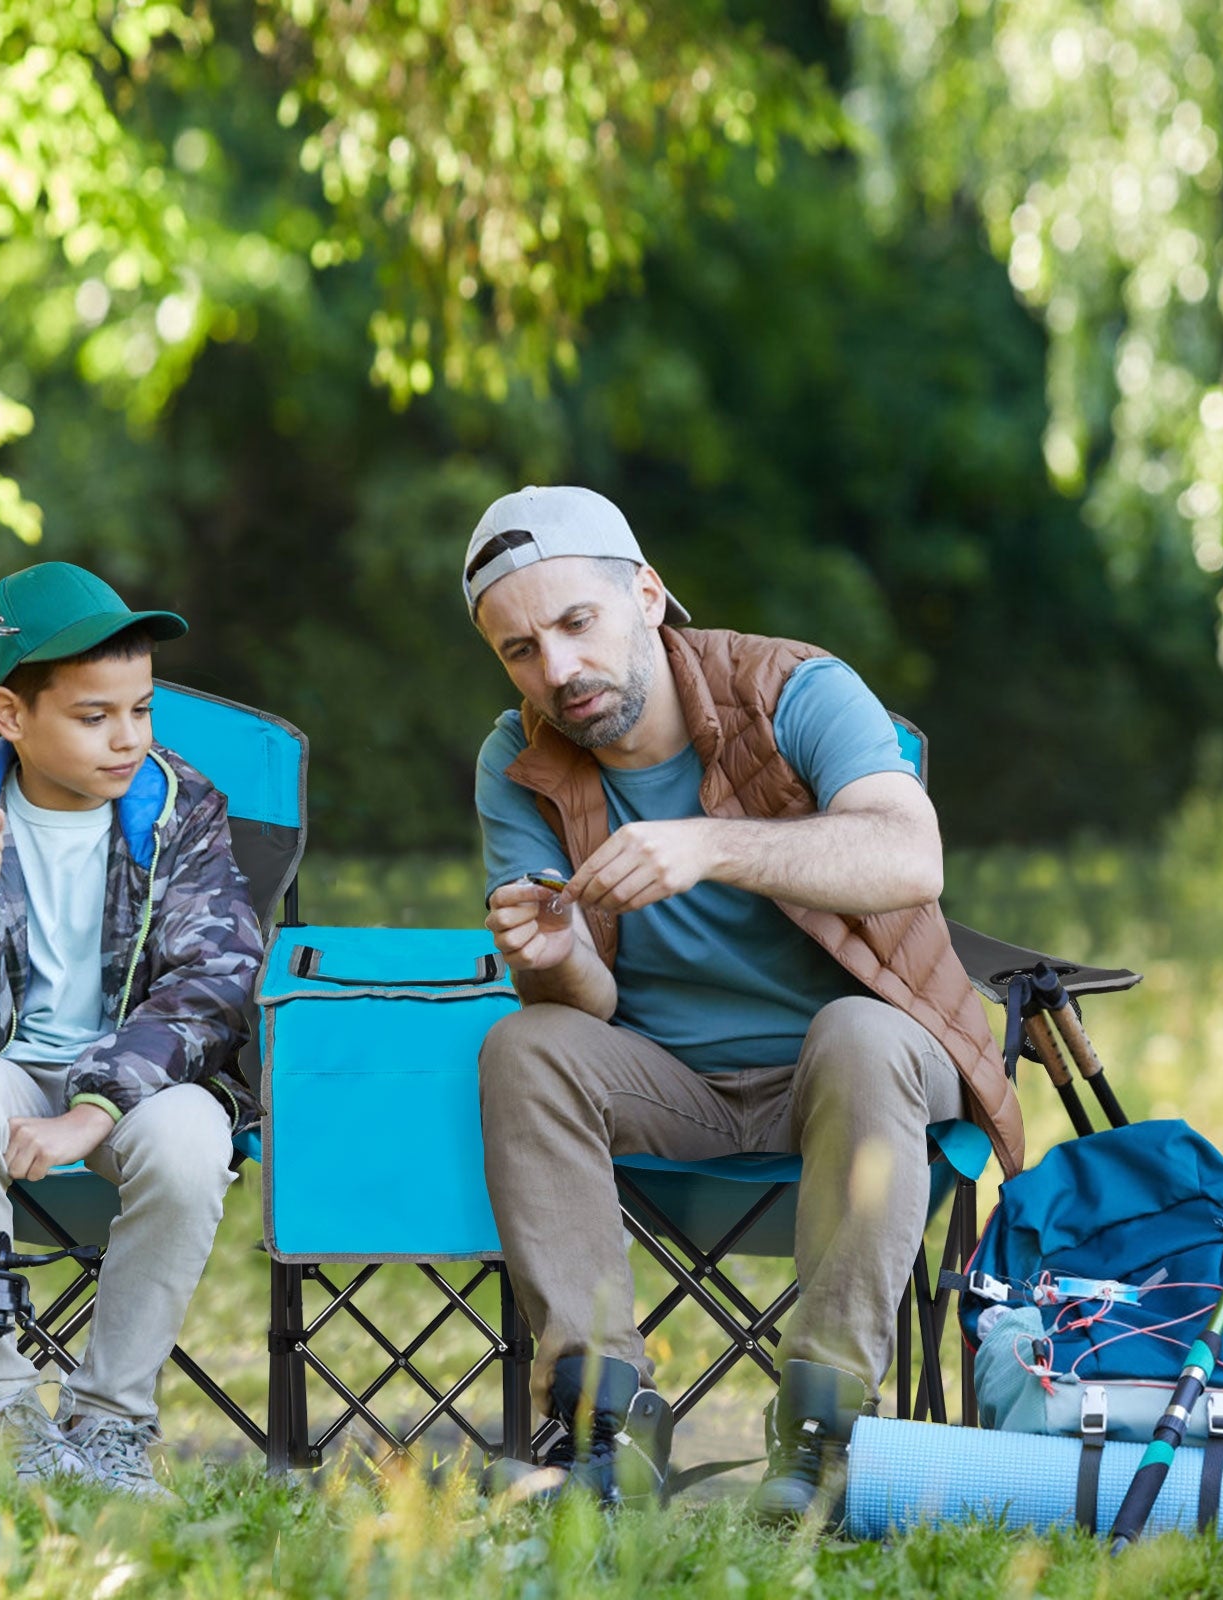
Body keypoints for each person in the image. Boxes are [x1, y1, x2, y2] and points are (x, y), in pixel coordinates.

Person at [465, 487, 1022, 1522]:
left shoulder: (794, 688)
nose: (557, 671)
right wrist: (553, 955)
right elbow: (581, 1003)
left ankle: (824, 1436)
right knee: (525, 1043)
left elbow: (910, 853)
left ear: (646, 592)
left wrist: (711, 846)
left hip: (859, 1078)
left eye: (576, 623)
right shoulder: (519, 757)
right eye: (520, 649)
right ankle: (602, 1433)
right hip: (673, 1087)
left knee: (855, 1030)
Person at [0, 562, 263, 1495]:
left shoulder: (178, 811)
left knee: (197, 1138)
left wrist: (93, 1107)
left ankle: (111, 1422)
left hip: (137, 1082)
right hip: (0, 1073)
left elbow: (214, 984)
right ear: (11, 717)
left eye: (141, 711)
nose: (127, 740)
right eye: (93, 716)